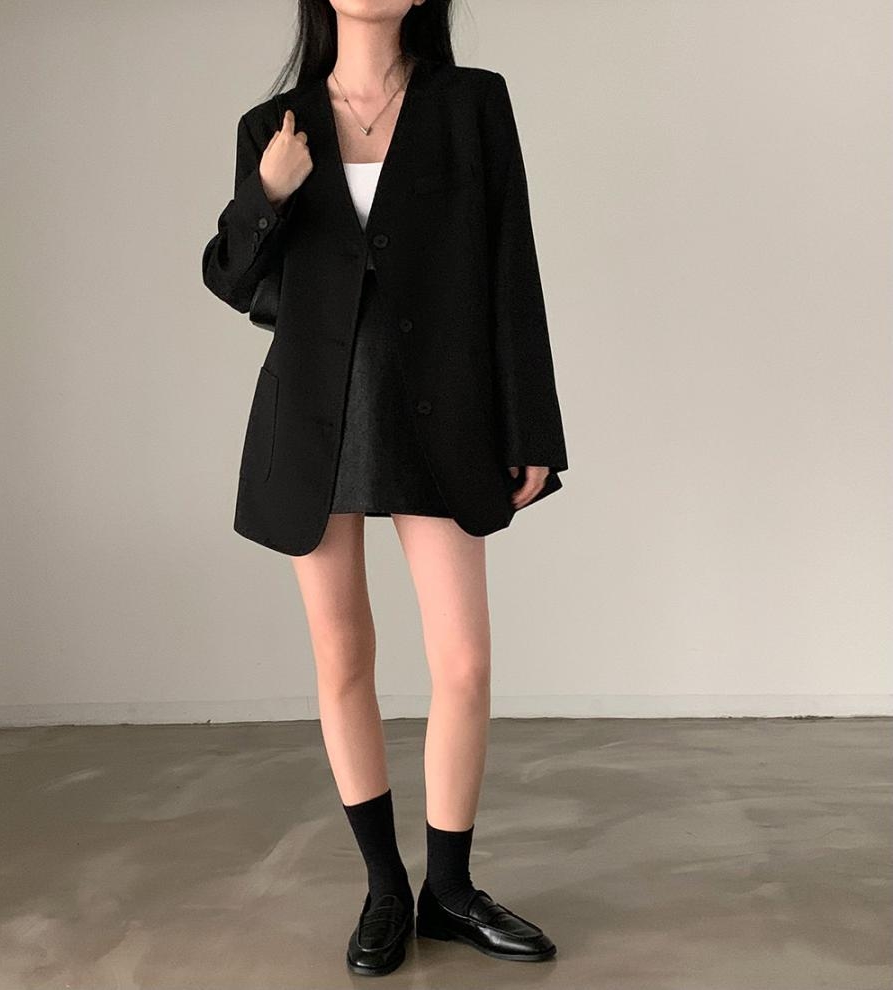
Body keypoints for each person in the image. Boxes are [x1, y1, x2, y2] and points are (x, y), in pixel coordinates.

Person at [202, 0, 568, 976]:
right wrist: (267, 193)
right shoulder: (274, 127)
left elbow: (511, 266)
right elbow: (235, 280)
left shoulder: (471, 105)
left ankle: (450, 890)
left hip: (441, 414)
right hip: (315, 417)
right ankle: (384, 890)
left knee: (464, 664)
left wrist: (531, 424)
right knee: (343, 659)